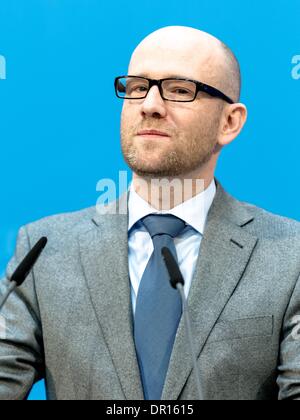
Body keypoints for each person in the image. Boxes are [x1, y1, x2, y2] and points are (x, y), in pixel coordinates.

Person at [0, 26, 299, 400]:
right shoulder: (43, 251)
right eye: (137, 87)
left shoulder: (290, 257)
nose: (150, 105)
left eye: (179, 90)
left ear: (230, 122)